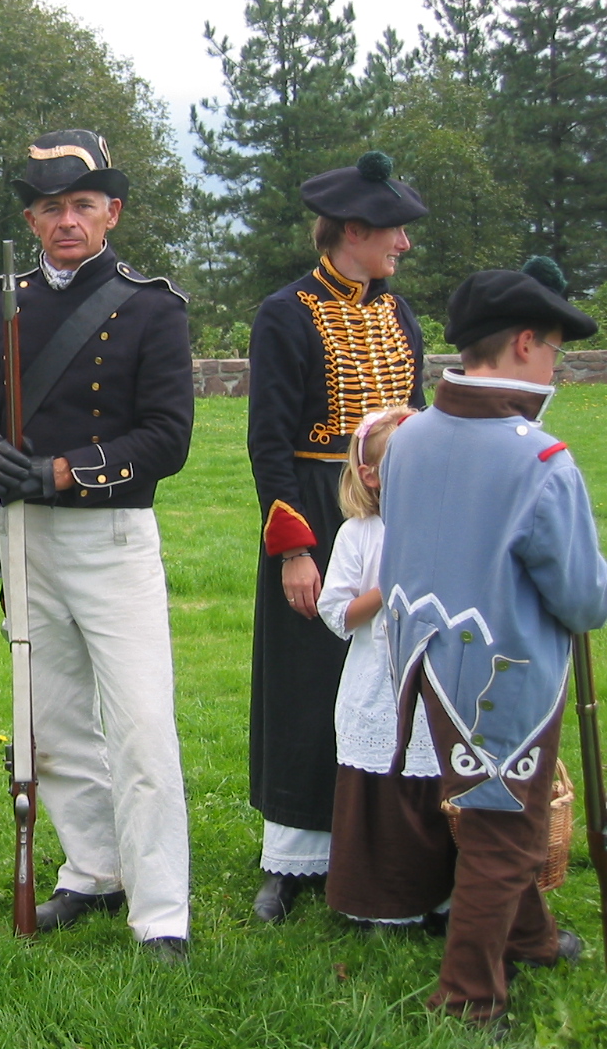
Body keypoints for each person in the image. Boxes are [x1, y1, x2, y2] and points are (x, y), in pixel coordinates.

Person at [0, 129, 194, 958]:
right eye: (51, 207)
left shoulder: (153, 308)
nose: (67, 221)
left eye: (83, 205)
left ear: (112, 212)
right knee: (51, 722)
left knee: (141, 727)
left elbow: (167, 438)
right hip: (27, 537)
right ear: (31, 218)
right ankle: (94, 869)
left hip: (112, 537)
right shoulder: (4, 301)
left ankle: (161, 911)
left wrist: (62, 471)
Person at [381, 260, 607, 1030]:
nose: (555, 370)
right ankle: (468, 998)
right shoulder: (539, 460)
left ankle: (531, 939)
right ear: (523, 343)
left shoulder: (408, 437)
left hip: (426, 664)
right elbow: (582, 598)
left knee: (490, 811)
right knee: (506, 834)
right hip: (504, 676)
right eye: (553, 352)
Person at [246, 151, 427, 922]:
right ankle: (294, 855)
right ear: (353, 230)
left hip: (395, 509)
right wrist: (295, 549)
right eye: (394, 232)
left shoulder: (399, 315)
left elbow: (419, 417)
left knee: (390, 675)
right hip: (316, 509)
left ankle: (383, 838)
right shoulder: (286, 312)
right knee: (306, 678)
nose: (404, 245)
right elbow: (268, 440)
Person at [316, 406, 454, 930]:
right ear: (371, 475)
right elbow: (337, 613)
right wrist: (388, 585)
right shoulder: (360, 535)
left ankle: (443, 896)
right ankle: (382, 900)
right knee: (386, 785)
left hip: (439, 678)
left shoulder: (445, 528)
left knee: (436, 777)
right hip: (378, 682)